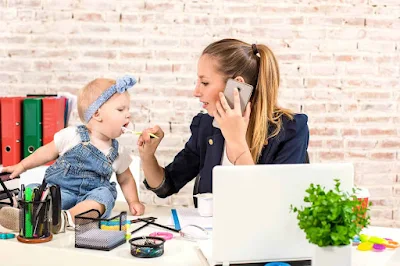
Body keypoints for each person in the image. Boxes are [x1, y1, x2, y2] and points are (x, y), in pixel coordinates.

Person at [137, 38, 309, 200]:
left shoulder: (291, 131)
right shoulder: (205, 127)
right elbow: (167, 186)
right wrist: (147, 156)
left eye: (204, 83)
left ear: (236, 87)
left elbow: (272, 202)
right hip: (211, 231)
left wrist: (236, 141)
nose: (196, 92)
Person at [0, 75, 144, 232]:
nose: (128, 114)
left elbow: (126, 179)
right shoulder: (72, 135)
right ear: (97, 114)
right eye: (121, 109)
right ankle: (29, 215)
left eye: (128, 109)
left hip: (90, 198)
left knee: (104, 196)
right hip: (60, 192)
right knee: (35, 191)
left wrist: (133, 201)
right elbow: (45, 152)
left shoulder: (118, 152)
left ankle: (64, 220)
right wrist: (21, 166)